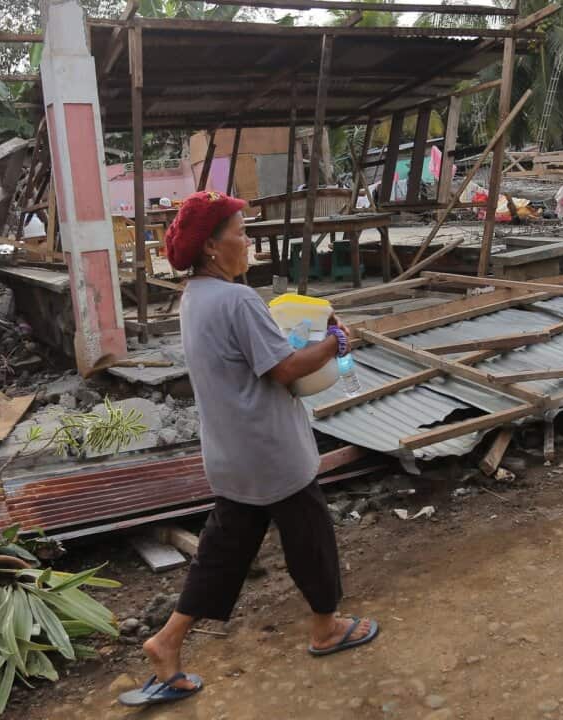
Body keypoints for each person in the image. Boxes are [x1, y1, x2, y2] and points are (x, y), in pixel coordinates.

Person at [119, 191, 379, 707]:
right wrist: (334, 343)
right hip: (271, 452)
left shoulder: (194, 297)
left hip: (231, 453)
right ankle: (326, 628)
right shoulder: (238, 300)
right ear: (214, 247)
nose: (248, 239)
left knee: (222, 554)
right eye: (240, 231)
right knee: (311, 540)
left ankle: (166, 642)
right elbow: (284, 369)